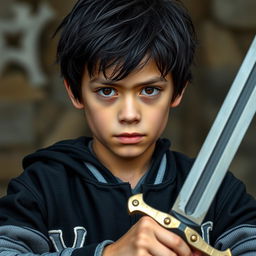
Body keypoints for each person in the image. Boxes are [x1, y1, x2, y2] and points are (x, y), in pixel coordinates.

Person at [0, 0, 255, 255]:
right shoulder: (40, 189)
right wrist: (108, 254)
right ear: (76, 93)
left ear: (177, 92)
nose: (129, 115)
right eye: (107, 91)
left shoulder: (221, 194)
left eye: (150, 90)